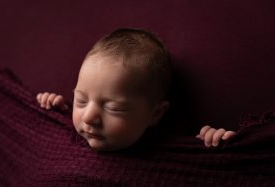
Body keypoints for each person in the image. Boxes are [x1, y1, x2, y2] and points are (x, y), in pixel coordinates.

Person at [36, 28, 236, 151]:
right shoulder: (68, 134)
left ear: (155, 114)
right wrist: (52, 108)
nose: (88, 117)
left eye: (113, 108)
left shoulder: (173, 149)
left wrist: (213, 141)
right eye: (81, 100)